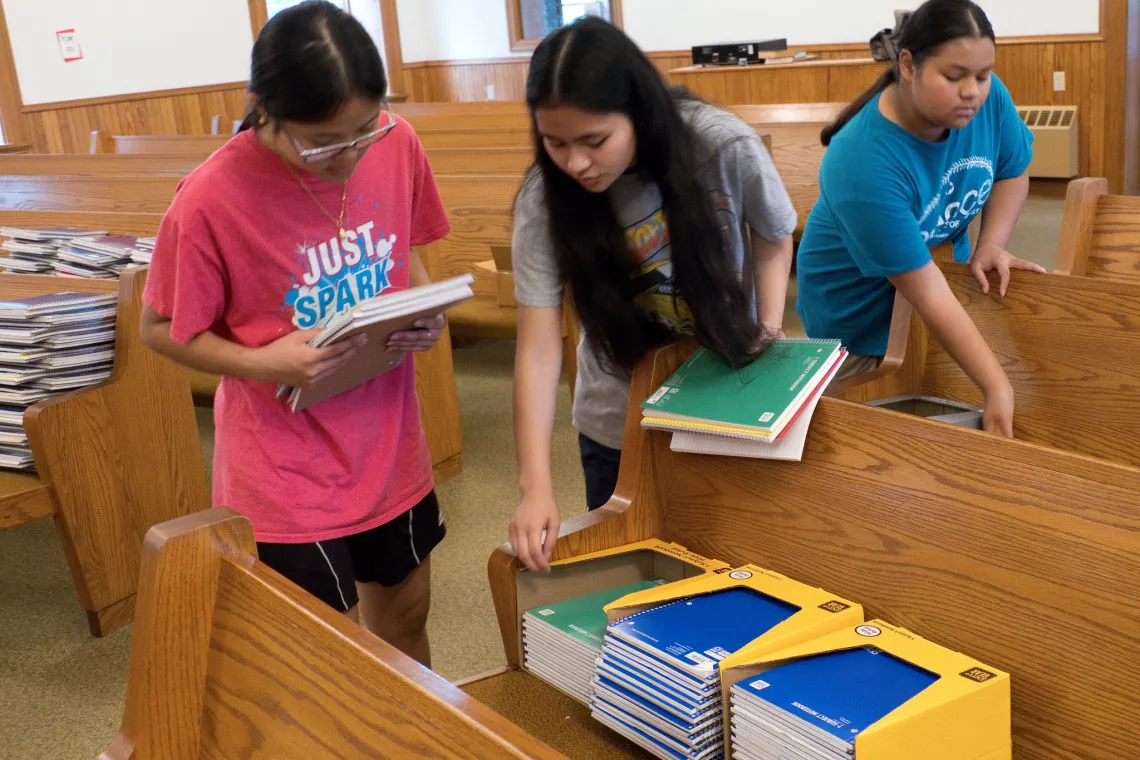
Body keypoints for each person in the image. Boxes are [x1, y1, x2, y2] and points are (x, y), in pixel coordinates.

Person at [138, 0, 450, 666]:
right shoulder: (208, 198)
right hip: (285, 468)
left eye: (363, 130)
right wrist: (266, 362)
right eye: (323, 142)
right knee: (319, 659)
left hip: (390, 440)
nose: (347, 156)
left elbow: (407, 251)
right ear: (262, 106)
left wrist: (424, 305)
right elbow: (158, 328)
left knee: (407, 614)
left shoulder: (396, 144)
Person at [508, 17, 798, 573]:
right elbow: (539, 351)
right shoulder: (545, 199)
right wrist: (535, 488)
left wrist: (769, 327)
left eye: (595, 141)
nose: (575, 164)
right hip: (616, 417)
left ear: (639, 112)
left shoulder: (719, 145)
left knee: (735, 569)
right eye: (555, 143)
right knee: (635, 577)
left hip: (722, 397)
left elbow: (774, 234)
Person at [796, 0, 1042, 437]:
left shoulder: (986, 99)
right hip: (856, 326)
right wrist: (996, 387)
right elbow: (925, 291)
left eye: (983, 76)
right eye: (954, 76)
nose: (973, 92)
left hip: (941, 290)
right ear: (907, 64)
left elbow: (1012, 169)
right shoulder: (862, 161)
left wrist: (990, 243)